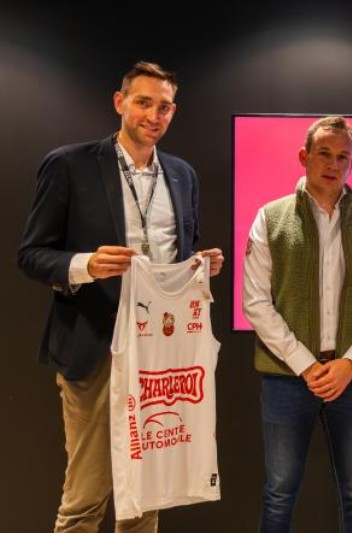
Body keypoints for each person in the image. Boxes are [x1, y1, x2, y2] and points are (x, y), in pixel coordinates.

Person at [17, 61, 224, 533]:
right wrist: (86, 265)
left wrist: (197, 266)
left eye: (164, 106)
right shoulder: (69, 165)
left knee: (147, 496)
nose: (154, 115)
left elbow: (178, 254)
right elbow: (31, 255)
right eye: (143, 102)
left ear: (174, 111)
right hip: (95, 345)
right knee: (86, 495)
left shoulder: (183, 174)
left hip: (161, 353)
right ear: (120, 102)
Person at [242, 115, 352, 533]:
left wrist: (351, 362)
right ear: (304, 156)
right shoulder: (271, 218)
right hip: (287, 377)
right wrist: (306, 365)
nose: (333, 164)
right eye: (324, 153)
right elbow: (256, 303)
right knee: (279, 491)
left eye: (343, 157)